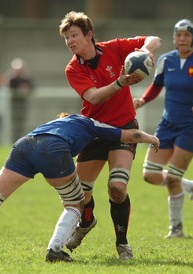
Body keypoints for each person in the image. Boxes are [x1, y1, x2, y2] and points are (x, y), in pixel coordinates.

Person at [0, 113, 160, 263]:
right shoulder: (88, 122)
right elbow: (128, 135)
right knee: (75, 203)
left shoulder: (53, 122)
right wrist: (151, 138)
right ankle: (54, 250)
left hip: (24, 145)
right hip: (53, 149)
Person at [58, 11, 162, 260]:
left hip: (123, 129)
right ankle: (87, 222)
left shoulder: (114, 48)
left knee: (117, 188)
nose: (70, 41)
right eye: (66, 37)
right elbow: (93, 97)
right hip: (93, 130)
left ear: (89, 35)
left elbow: (155, 38)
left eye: (74, 35)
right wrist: (120, 83)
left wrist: (146, 51)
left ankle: (122, 243)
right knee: (78, 197)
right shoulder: (73, 68)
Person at [133, 19, 193, 238]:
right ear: (174, 38)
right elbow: (156, 87)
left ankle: (176, 230)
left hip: (191, 127)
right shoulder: (165, 60)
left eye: (186, 35)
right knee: (149, 174)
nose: (182, 39)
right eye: (178, 35)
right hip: (167, 125)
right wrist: (143, 101)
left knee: (173, 179)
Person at [7, 58, 35, 140]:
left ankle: (19, 138)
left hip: (22, 104)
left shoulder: (27, 78)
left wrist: (26, 89)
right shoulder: (10, 78)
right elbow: (6, 88)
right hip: (11, 104)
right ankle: (12, 138)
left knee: (21, 122)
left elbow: (32, 87)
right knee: (11, 122)